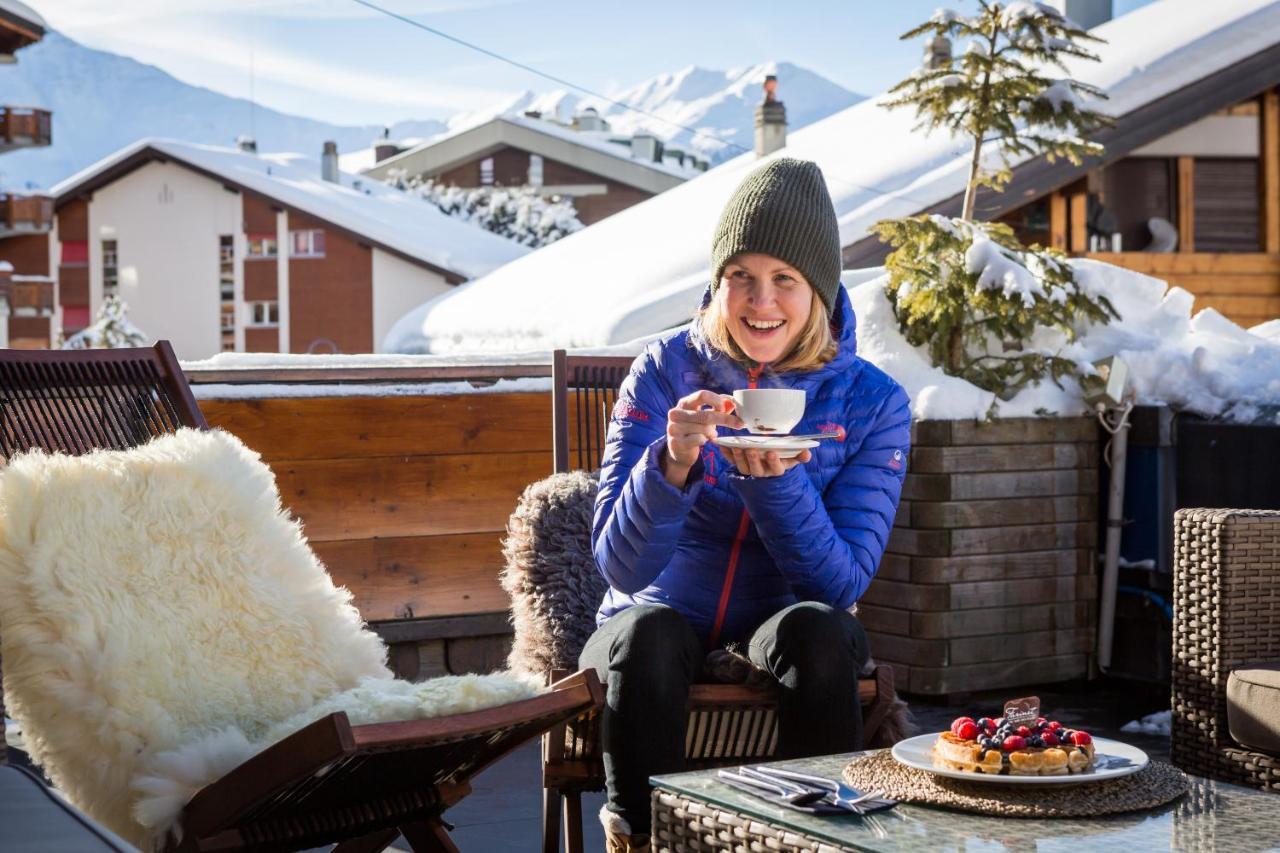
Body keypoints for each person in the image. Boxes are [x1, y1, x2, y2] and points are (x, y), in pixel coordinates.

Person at [582, 157, 911, 852]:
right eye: (742, 277)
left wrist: (775, 481)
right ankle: (640, 838)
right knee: (648, 636)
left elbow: (841, 583)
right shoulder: (665, 369)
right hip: (654, 620)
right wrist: (669, 462)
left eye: (784, 279)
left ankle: (813, 838)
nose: (761, 302)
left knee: (821, 633)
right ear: (717, 284)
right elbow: (618, 563)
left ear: (817, 289)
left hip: (779, 624)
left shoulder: (874, 401)